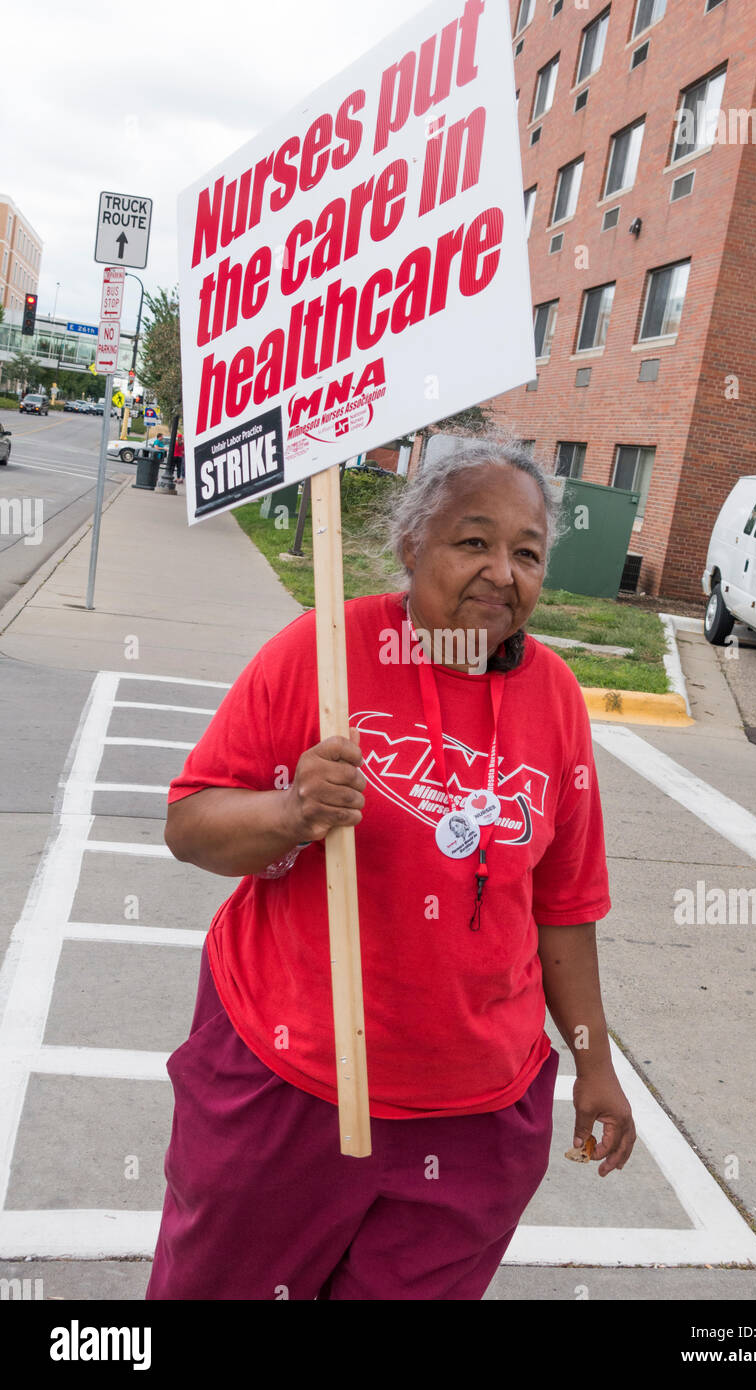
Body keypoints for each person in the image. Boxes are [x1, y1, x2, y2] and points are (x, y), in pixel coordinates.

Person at [146, 436, 635, 1302]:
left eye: (526, 552)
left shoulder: (555, 694)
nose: (501, 571)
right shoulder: (322, 651)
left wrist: (594, 1062)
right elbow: (191, 824)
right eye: (472, 541)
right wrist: (292, 811)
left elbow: (562, 904)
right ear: (411, 545)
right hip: (290, 1088)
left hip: (478, 1114)